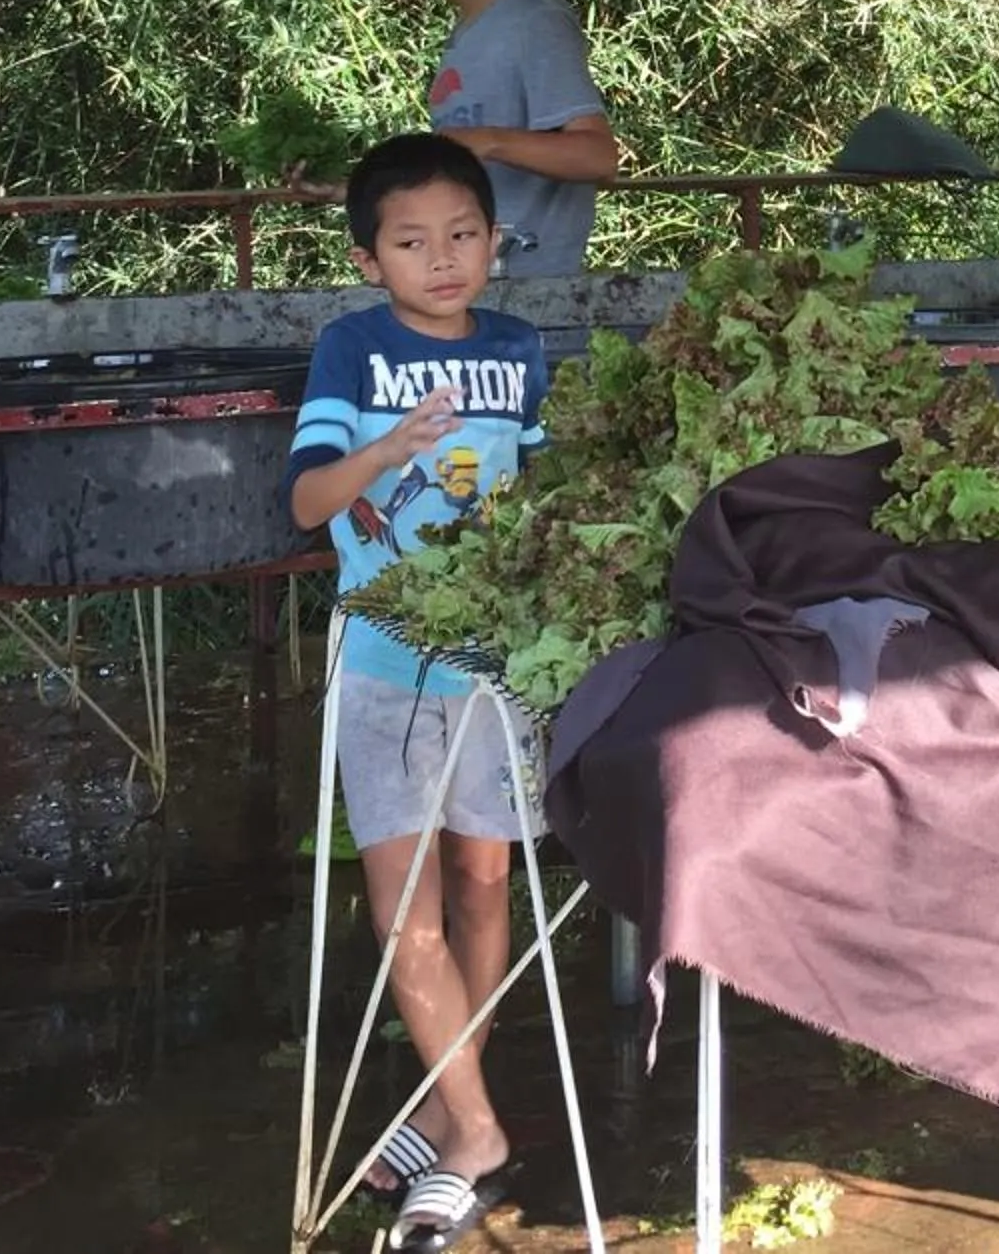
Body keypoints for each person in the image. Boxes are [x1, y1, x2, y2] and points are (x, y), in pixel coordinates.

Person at [288, 134, 552, 1252]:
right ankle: (480, 1134)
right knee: (409, 919)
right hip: (388, 662)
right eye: (411, 242)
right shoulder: (351, 348)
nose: (441, 260)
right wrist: (391, 444)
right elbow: (308, 503)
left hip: (499, 665)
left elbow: (542, 489)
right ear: (369, 257)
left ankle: (449, 1113)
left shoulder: (520, 346)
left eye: (462, 236)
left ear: (494, 241)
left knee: (486, 890)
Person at [363, 0, 618, 275]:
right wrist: (349, 189)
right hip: (475, 285)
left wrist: (488, 141)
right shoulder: (471, 30)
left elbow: (598, 157)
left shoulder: (533, 22)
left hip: (534, 295)